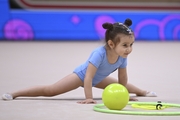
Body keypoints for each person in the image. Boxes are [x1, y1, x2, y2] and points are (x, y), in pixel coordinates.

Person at [2, 18, 156, 103]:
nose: (129, 49)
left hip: (99, 78)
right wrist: (89, 98)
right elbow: (88, 77)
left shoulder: (122, 56)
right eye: (125, 45)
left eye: (131, 45)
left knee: (121, 83)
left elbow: (123, 78)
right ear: (111, 44)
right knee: (50, 91)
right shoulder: (99, 54)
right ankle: (14, 93)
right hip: (81, 76)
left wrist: (123, 94)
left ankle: (143, 91)